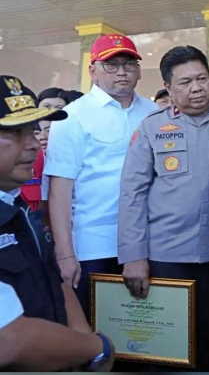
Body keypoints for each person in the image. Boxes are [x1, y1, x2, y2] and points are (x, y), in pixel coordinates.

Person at [118, 46, 209, 370]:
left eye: (202, 78)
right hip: (167, 258)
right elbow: (132, 193)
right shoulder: (151, 128)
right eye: (186, 82)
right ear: (169, 88)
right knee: (168, 350)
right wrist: (133, 255)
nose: (197, 87)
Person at [0, 76, 115, 372]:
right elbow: (9, 340)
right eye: (15, 133)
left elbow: (55, 280)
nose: (33, 144)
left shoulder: (19, 209)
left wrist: (82, 343)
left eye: (32, 130)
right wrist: (98, 347)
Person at [44, 34, 159, 317]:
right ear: (93, 70)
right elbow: (60, 190)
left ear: (140, 70)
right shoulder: (72, 117)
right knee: (96, 334)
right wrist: (65, 253)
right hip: (93, 246)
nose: (122, 71)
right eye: (111, 64)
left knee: (147, 336)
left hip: (149, 245)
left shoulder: (155, 114)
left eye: (129, 64)